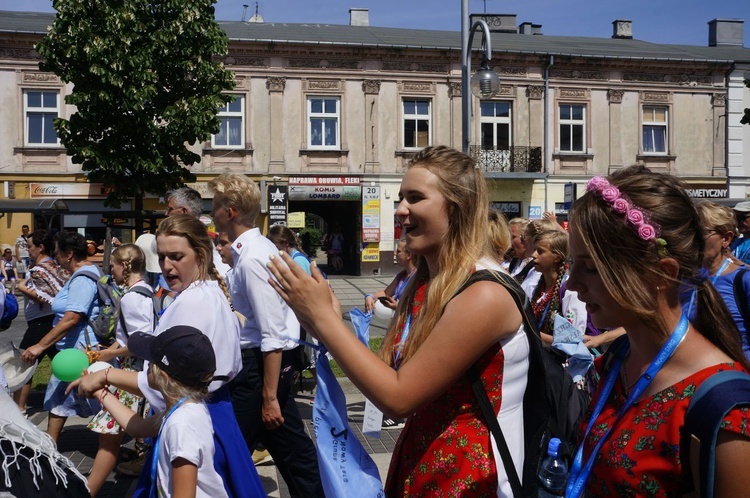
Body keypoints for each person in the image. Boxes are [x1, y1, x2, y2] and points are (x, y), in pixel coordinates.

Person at [267, 145, 529, 496]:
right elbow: (386, 375)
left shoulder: (484, 294)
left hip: (471, 475)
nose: (401, 209)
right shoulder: (426, 283)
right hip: (423, 459)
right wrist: (321, 320)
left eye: (416, 197)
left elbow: (398, 397)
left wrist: (324, 321)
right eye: (402, 197)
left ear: (458, 207)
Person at [565, 166, 750, 497]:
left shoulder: (725, 410)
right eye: (571, 264)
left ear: (661, 274)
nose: (574, 283)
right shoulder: (618, 360)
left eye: (592, 268)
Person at [71, 214, 263, 497]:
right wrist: (104, 388)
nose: (166, 265)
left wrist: (106, 375)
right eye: (161, 257)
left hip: (201, 413)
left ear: (200, 254)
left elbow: (160, 377)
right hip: (211, 413)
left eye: (176, 256)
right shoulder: (205, 292)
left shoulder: (194, 302)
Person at [208, 173, 324, 497]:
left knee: (226, 460)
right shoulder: (253, 251)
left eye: (214, 206)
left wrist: (269, 396)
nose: (211, 212)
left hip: (258, 371)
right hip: (259, 371)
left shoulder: (252, 258)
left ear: (229, 212)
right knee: (296, 457)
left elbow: (271, 334)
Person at [86, 326, 228, 498]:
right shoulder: (185, 408)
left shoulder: (182, 425)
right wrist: (101, 393)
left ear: (163, 377)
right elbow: (138, 427)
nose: (145, 369)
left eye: (149, 363)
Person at [86, 244, 155, 496]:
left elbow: (139, 343)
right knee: (112, 436)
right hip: (137, 371)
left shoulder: (131, 298)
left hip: (133, 374)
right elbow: (131, 339)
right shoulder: (146, 291)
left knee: (108, 437)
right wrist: (114, 347)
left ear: (123, 267)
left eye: (112, 265)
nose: (110, 271)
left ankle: (87, 491)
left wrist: (109, 354)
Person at [21, 231, 102, 442]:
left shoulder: (83, 278)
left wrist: (40, 346)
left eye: (57, 254)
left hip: (83, 351)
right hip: (73, 351)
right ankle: (51, 447)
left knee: (103, 402)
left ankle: (128, 445)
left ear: (68, 254)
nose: (55, 258)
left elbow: (71, 318)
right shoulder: (82, 274)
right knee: (59, 397)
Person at [14, 229, 69, 415]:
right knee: (62, 362)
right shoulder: (55, 267)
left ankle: (18, 408)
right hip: (50, 322)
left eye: (30, 247)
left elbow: (44, 297)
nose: (27, 250)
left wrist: (21, 286)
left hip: (41, 323)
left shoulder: (39, 270)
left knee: (24, 362)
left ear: (41, 247)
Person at [693, 202, 750, 361]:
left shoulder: (744, 280)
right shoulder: (685, 281)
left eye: (702, 232)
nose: (694, 239)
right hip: (697, 377)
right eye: (691, 232)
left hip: (737, 377)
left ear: (726, 238)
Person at [529, 229, 587, 345]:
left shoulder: (570, 291)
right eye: (534, 250)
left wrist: (532, 333)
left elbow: (573, 340)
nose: (533, 255)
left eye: (540, 251)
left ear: (557, 257)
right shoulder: (540, 286)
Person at [165, 186, 231, 276]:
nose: (166, 214)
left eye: (170, 209)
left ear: (184, 211)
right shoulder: (201, 238)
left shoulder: (197, 241)